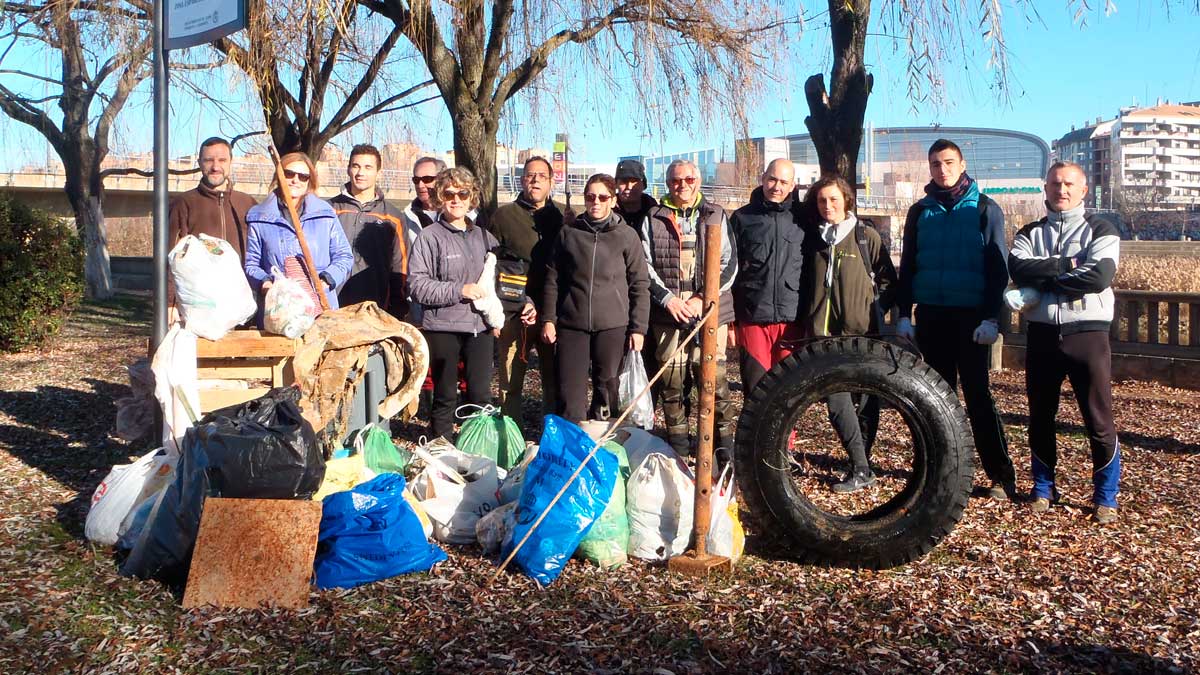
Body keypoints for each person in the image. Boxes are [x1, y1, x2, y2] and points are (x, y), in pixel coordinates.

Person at [895, 138, 1018, 500]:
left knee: (978, 396)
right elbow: (909, 267)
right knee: (935, 398)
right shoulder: (920, 212)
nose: (942, 169)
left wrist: (992, 318)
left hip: (972, 319)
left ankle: (1000, 473)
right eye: (935, 164)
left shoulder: (984, 209)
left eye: (949, 162)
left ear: (962, 165)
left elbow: (998, 269)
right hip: (932, 315)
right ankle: (940, 472)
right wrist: (904, 314)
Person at [1008, 161, 1122, 524]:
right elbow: (1018, 269)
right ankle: (1043, 487)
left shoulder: (1101, 228)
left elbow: (1100, 275)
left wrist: (1047, 279)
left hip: (1087, 333)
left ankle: (1105, 495)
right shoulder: (1028, 232)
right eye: (1055, 183)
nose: (1062, 190)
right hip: (1042, 334)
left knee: (1098, 418)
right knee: (1040, 416)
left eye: (1070, 184)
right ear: (1045, 188)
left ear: (1083, 190)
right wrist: (1071, 263)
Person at [801, 174, 897, 493]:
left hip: (863, 333)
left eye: (834, 200)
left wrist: (876, 307)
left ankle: (862, 463)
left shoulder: (865, 235)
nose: (827, 206)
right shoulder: (813, 239)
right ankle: (860, 465)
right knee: (837, 401)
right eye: (821, 200)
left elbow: (887, 278)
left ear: (846, 201)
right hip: (824, 337)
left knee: (866, 400)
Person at [641, 159, 738, 455]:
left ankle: (723, 450)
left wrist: (701, 298)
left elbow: (729, 263)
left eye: (688, 180)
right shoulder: (653, 217)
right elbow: (644, 265)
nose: (682, 185)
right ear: (668, 183)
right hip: (668, 316)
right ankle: (679, 450)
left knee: (714, 381)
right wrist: (668, 300)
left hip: (709, 312)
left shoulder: (716, 215)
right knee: (672, 386)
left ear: (697, 181)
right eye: (675, 181)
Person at [541, 174, 650, 423]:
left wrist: (638, 328)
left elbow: (639, 284)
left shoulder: (626, 235)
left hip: (613, 326)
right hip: (572, 325)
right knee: (570, 394)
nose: (596, 203)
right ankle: (573, 447)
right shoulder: (569, 234)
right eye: (590, 197)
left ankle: (605, 444)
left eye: (603, 197)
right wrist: (548, 318)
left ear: (613, 200)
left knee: (608, 391)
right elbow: (552, 279)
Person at [407, 167, 500, 441]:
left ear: (472, 197)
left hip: (480, 328)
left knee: (480, 395)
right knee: (445, 394)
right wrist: (459, 290)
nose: (456, 199)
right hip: (443, 325)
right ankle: (441, 448)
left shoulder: (485, 237)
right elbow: (417, 285)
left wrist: (505, 312)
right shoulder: (430, 237)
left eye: (463, 193)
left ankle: (478, 447)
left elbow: (500, 281)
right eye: (449, 194)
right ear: (439, 197)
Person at [487, 156, 569, 426]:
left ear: (551, 181)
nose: (534, 181)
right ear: (522, 180)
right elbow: (491, 264)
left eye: (541, 176)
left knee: (552, 379)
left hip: (550, 313)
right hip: (513, 311)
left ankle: (550, 435)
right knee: (510, 378)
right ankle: (510, 431)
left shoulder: (561, 217)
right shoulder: (503, 216)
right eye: (529, 176)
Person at [730, 158, 806, 396]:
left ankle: (787, 436)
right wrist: (731, 321)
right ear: (763, 179)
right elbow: (730, 270)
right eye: (772, 179)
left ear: (793, 185)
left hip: (792, 318)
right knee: (756, 389)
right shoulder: (742, 218)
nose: (777, 186)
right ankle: (757, 435)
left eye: (784, 181)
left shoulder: (804, 219)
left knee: (788, 389)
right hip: (753, 316)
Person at [244, 151, 352, 314]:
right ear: (279, 176)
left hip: (320, 308)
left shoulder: (325, 214)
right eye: (289, 174)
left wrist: (325, 280)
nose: (295, 180)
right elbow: (251, 264)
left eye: (303, 176)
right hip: (279, 309)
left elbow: (344, 256)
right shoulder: (259, 217)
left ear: (310, 181)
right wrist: (267, 285)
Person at [329, 144, 418, 319]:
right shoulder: (329, 210)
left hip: (376, 308)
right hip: (333, 305)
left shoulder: (393, 216)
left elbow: (401, 264)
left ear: (379, 172)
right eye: (356, 166)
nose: (360, 173)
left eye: (368, 167)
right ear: (348, 169)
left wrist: (398, 306)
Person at [170, 136, 257, 258]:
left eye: (222, 160)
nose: (215, 167)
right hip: (198, 277)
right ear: (199, 162)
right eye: (209, 160)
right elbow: (171, 257)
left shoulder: (248, 204)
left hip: (240, 277)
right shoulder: (183, 204)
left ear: (230, 162)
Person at [614, 159, 657, 237]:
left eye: (634, 181)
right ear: (616, 184)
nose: (629, 187)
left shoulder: (655, 213)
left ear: (644, 185)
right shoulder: (606, 212)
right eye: (624, 181)